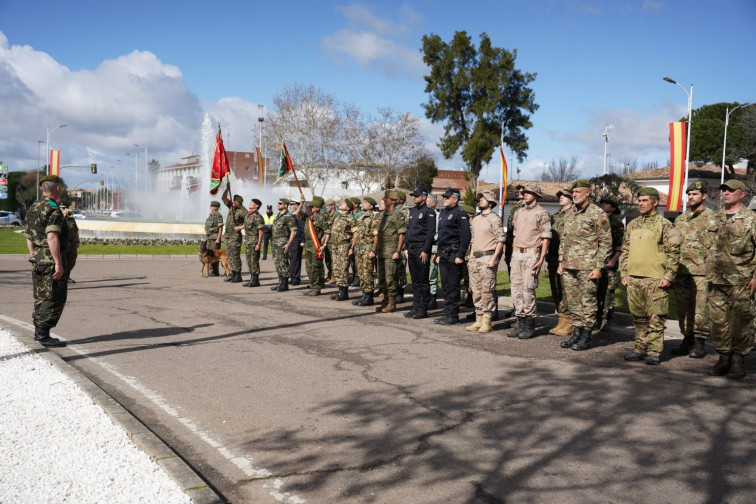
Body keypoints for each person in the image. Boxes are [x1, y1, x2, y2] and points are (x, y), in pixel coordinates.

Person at [621, 187, 681, 366]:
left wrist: (669, 276)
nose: (640, 203)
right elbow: (625, 250)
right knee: (638, 317)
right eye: (639, 200)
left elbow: (674, 253)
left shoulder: (665, 225)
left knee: (656, 317)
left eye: (645, 200)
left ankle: (654, 351)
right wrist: (624, 272)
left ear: (655, 202)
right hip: (633, 278)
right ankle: (640, 349)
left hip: (655, 279)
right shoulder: (632, 224)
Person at [705, 179, 756, 379]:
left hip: (741, 281)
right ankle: (723, 359)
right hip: (716, 281)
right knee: (718, 323)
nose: (725, 193)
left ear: (742, 194)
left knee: (741, 324)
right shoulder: (714, 218)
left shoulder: (751, 219)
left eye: (731, 190)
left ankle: (737, 362)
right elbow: (707, 248)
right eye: (724, 190)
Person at [557, 180, 612, 350]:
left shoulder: (597, 213)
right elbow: (564, 239)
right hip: (569, 265)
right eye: (573, 192)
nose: (574, 195)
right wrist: (561, 261)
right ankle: (577, 332)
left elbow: (606, 242)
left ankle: (587, 335)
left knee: (587, 301)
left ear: (587, 193)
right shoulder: (570, 213)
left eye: (578, 192)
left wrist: (598, 267)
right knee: (573, 302)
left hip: (588, 267)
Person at [24, 175, 68, 347]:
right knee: (54, 296)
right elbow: (52, 236)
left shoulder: (33, 207)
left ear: (42, 190)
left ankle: (40, 332)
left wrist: (34, 254)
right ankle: (43, 334)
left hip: (38, 258)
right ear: (57, 189)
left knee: (40, 295)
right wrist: (57, 262)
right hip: (50, 258)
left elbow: (28, 236)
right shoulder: (53, 209)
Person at [670, 181, 713, 358]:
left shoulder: (713, 218)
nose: (691, 197)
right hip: (682, 272)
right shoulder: (680, 219)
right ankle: (687, 339)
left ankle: (700, 342)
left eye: (695, 194)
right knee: (683, 309)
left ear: (704, 196)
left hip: (702, 273)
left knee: (701, 309)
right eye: (689, 195)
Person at [507, 185, 551, 339]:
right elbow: (515, 235)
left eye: (529, 193)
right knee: (516, 288)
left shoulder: (542, 213)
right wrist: (513, 254)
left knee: (528, 289)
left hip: (532, 253)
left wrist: (541, 258)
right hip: (517, 253)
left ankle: (529, 324)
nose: (525, 195)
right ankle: (520, 322)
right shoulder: (518, 212)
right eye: (524, 193)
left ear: (536, 195)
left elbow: (546, 238)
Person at [465, 190, 505, 334]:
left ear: (491, 202)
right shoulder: (476, 219)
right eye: (480, 198)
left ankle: (487, 320)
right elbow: (473, 239)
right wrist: (470, 258)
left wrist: (494, 259)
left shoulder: (495, 219)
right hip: (475, 258)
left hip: (487, 257)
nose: (480, 200)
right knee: (475, 290)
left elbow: (501, 240)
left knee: (487, 290)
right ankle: (479, 318)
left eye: (484, 199)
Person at [433, 187, 471, 325]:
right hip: (443, 254)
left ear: (455, 199)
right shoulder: (443, 213)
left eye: (447, 197)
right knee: (446, 285)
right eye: (444, 197)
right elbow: (441, 236)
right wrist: (438, 253)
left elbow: (466, 236)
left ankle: (453, 315)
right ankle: (447, 313)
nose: (444, 199)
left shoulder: (460, 214)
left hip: (454, 254)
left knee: (453, 286)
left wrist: (460, 255)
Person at [403, 187, 436, 319]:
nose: (414, 198)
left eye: (417, 196)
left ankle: (423, 308)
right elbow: (409, 230)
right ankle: (415, 307)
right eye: (414, 196)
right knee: (415, 280)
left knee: (423, 280)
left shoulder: (429, 212)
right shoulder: (413, 211)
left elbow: (430, 233)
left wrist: (426, 250)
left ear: (424, 196)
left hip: (421, 249)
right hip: (411, 249)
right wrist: (405, 247)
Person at [371, 190, 406, 313]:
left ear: (393, 201)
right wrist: (374, 250)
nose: (384, 200)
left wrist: (398, 251)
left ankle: (392, 303)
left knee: (390, 279)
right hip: (381, 252)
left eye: (387, 198)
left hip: (391, 252)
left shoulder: (397, 214)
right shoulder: (383, 215)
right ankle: (385, 301)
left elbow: (402, 234)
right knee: (382, 279)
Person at [546, 187, 574, 337]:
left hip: (568, 259)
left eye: (564, 196)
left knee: (566, 291)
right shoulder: (555, 216)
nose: (561, 197)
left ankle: (569, 322)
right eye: (560, 196)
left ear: (572, 199)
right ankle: (561, 320)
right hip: (553, 257)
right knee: (555, 289)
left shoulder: (574, 215)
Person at [595, 196, 625, 330]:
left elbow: (620, 246)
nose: (603, 205)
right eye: (602, 203)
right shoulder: (599, 220)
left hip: (610, 264)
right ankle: (596, 318)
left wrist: (613, 260)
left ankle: (607, 319)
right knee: (596, 291)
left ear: (613, 208)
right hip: (597, 263)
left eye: (607, 204)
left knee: (609, 292)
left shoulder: (616, 223)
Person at [296, 195, 329, 296]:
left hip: (316, 245)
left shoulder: (321, 218)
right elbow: (297, 213)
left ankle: (317, 288)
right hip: (308, 245)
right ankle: (312, 285)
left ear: (318, 208)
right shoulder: (308, 217)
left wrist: (324, 244)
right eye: (310, 206)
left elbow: (327, 232)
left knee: (315, 267)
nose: (310, 208)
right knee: (309, 267)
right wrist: (301, 203)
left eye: (313, 207)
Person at [326, 199, 356, 301]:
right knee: (337, 269)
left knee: (343, 269)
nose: (340, 204)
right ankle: (340, 291)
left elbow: (355, 233)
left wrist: (352, 247)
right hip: (335, 246)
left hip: (344, 246)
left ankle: (344, 292)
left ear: (347, 207)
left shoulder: (350, 218)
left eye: (342, 203)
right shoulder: (338, 217)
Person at [352, 197, 378, 306]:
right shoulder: (361, 218)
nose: (363, 203)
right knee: (361, 273)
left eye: (366, 202)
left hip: (368, 248)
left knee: (367, 273)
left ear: (371, 206)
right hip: (360, 248)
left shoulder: (373, 217)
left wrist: (373, 250)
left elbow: (376, 235)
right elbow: (356, 234)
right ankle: (364, 295)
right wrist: (353, 246)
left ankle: (369, 296)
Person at [270, 198, 299, 292]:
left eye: (280, 203)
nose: (278, 204)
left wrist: (289, 244)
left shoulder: (288, 216)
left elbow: (294, 231)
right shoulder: (278, 215)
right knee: (277, 263)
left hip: (282, 243)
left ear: (285, 205)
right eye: (278, 203)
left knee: (283, 263)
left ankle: (285, 284)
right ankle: (280, 282)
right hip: (275, 243)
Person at [222, 187, 247, 283]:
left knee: (235, 256)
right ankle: (233, 273)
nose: (231, 202)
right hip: (228, 236)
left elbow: (249, 221)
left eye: (234, 201)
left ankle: (238, 275)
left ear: (237, 202)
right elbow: (224, 198)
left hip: (235, 237)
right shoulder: (232, 208)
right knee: (230, 256)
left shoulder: (242, 211)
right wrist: (227, 189)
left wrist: (240, 227)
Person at [242, 198, 265, 287]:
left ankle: (256, 280)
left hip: (254, 241)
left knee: (254, 261)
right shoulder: (249, 215)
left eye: (252, 203)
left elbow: (261, 231)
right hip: (248, 241)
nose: (250, 203)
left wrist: (259, 244)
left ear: (256, 206)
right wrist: (240, 227)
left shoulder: (257, 216)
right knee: (249, 261)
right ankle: (252, 278)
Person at [394, 190, 410, 303]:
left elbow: (404, 228)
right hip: (391, 244)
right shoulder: (392, 210)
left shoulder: (404, 211)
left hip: (400, 243)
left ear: (400, 199)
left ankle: (400, 292)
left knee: (400, 269)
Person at [59, 201, 80, 283]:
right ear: (59, 208)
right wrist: (63, 218)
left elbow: (76, 230)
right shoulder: (57, 218)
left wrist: (77, 241)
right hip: (63, 244)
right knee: (62, 261)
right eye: (63, 208)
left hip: (72, 243)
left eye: (66, 208)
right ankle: (61, 278)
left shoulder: (71, 219)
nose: (65, 209)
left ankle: (67, 276)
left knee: (71, 261)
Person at [426, 194, 440, 309]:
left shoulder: (438, 217)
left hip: (433, 248)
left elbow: (439, 236)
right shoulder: (423, 215)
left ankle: (433, 298)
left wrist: (436, 253)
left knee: (432, 274)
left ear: (433, 204)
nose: (425, 203)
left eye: (427, 201)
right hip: (423, 248)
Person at [204, 201, 224, 276]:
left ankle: (215, 271)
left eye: (212, 206)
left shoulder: (218, 216)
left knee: (215, 255)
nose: (211, 207)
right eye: (211, 206)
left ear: (216, 207)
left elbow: (220, 228)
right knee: (209, 255)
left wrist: (218, 238)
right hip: (209, 238)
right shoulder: (211, 215)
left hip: (215, 238)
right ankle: (211, 270)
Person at [288, 200, 305, 286]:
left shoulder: (301, 216)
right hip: (292, 240)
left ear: (297, 206)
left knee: (296, 259)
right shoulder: (291, 214)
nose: (290, 206)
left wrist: (303, 240)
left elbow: (302, 229)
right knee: (292, 259)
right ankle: (292, 276)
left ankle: (296, 278)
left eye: (292, 205)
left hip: (297, 239)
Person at [323, 199, 336, 283]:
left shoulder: (337, 215)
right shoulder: (326, 215)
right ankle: (329, 275)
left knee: (333, 260)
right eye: (326, 205)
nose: (326, 207)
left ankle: (334, 277)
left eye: (328, 205)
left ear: (333, 206)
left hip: (333, 241)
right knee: (327, 260)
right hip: (327, 241)